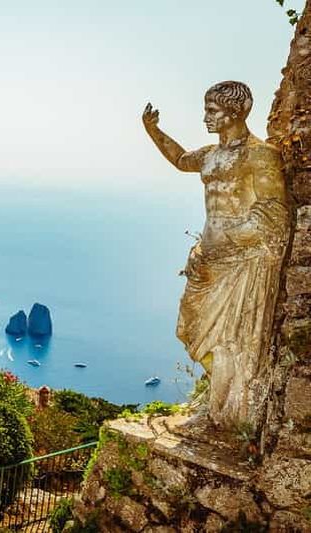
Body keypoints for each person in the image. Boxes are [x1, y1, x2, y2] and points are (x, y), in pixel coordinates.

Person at [142, 81, 289, 427]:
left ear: (234, 112)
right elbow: (180, 160)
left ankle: (227, 411)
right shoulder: (211, 155)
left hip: (242, 264)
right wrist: (153, 130)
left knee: (231, 341)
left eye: (212, 110)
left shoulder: (260, 155)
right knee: (189, 327)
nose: (205, 117)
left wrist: (233, 239)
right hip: (208, 260)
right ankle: (219, 401)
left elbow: (273, 213)